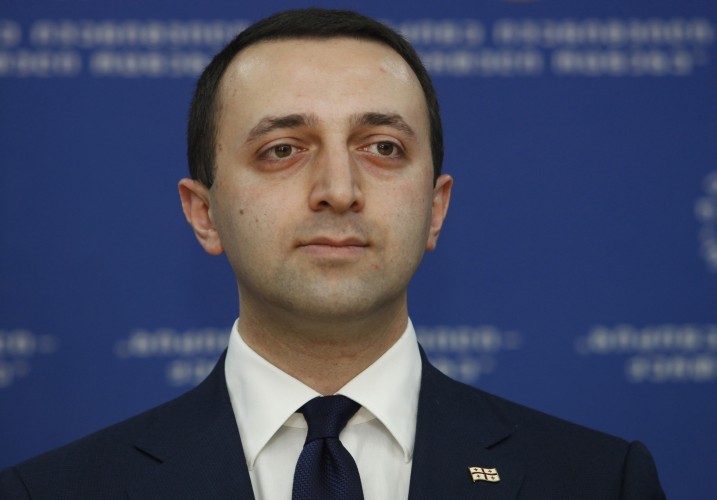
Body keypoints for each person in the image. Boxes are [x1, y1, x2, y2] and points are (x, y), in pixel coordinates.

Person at [0, 8, 664, 499]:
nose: (339, 190)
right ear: (204, 214)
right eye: (282, 150)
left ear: (435, 208)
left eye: (383, 148)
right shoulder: (52, 491)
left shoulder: (599, 481)